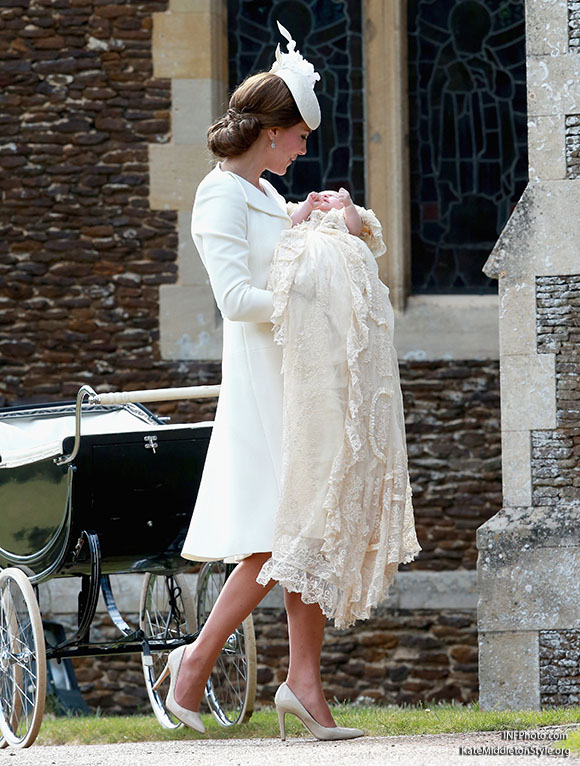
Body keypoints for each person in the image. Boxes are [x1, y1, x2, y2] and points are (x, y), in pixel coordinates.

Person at [154, 24, 364, 741]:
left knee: (304, 529)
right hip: (265, 385)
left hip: (296, 381)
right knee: (282, 538)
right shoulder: (220, 197)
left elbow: (280, 249)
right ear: (271, 134)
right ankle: (193, 664)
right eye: (299, 135)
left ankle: (303, 686)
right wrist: (305, 285)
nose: (305, 147)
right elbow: (237, 300)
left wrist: (309, 220)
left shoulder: (264, 193)